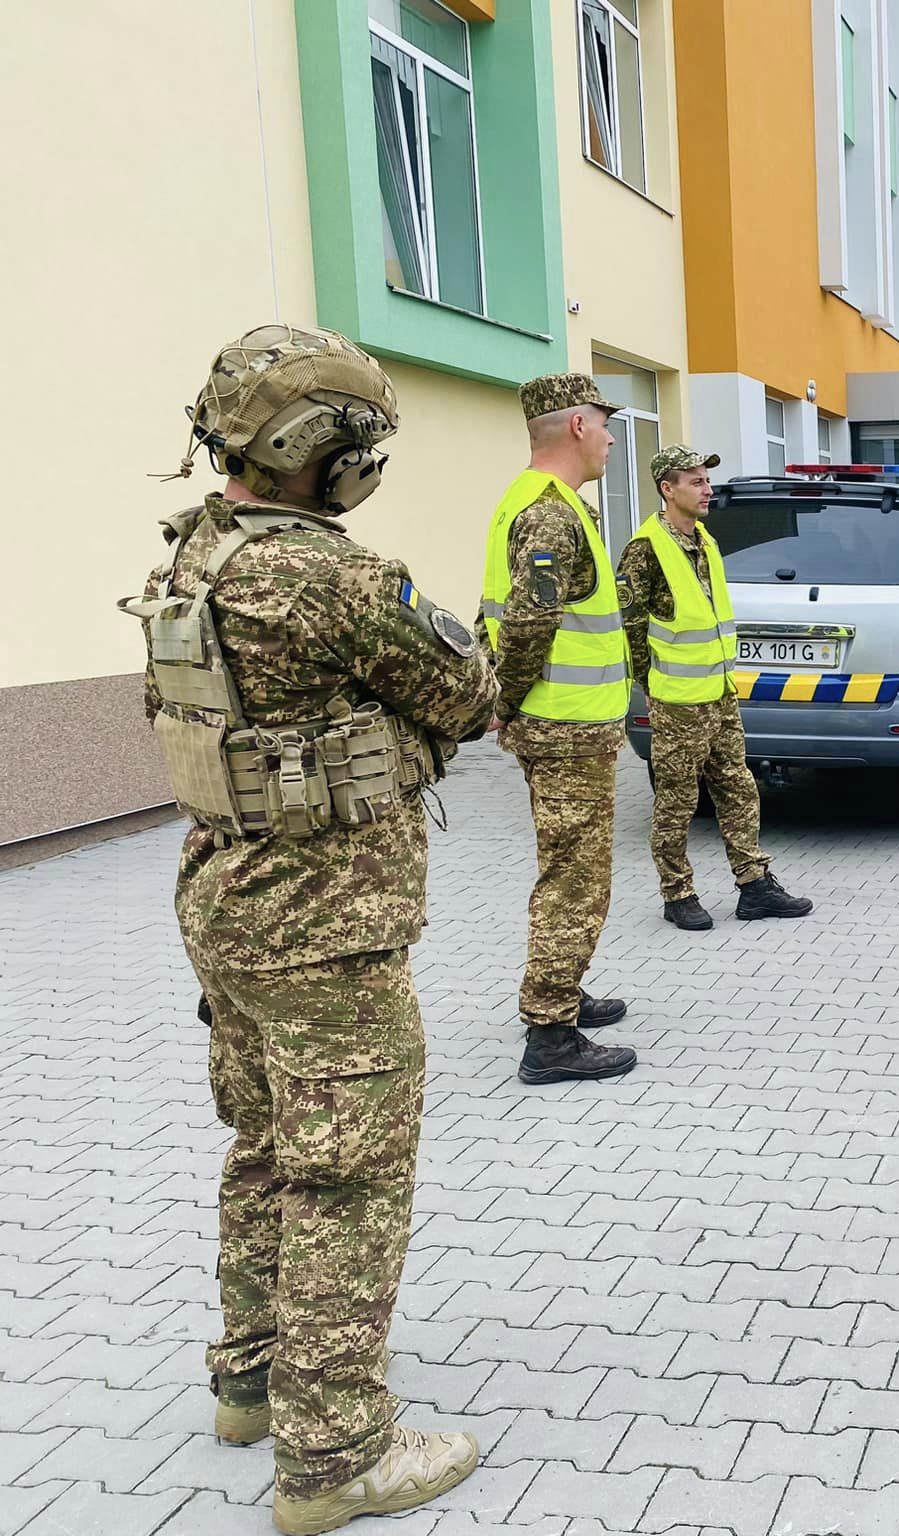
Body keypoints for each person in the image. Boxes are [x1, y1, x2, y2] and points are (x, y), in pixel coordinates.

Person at [124, 325, 491, 1531]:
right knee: (348, 1175)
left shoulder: (193, 557)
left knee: (267, 1146)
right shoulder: (325, 575)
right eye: (359, 443)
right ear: (315, 451)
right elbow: (468, 690)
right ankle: (336, 1454)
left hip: (223, 899)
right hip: (322, 924)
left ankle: (251, 1378)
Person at [481, 374, 639, 1086]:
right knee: (575, 879)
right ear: (577, 426)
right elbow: (529, 623)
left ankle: (563, 992)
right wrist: (503, 700)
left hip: (565, 726)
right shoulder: (551, 515)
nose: (610, 437)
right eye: (605, 424)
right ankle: (550, 1034)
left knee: (572, 868)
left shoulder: (538, 503)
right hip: (564, 729)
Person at [618, 445, 813, 930]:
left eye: (707, 480)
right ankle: (677, 892)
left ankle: (754, 886)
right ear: (668, 489)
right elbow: (628, 626)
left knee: (738, 788)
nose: (707, 490)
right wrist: (653, 684)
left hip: (721, 693)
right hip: (678, 701)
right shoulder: (645, 549)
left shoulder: (704, 540)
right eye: (696, 481)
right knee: (677, 801)